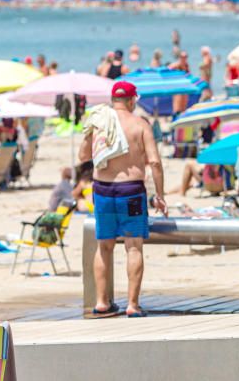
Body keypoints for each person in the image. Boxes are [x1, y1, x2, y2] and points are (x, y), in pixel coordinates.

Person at [78, 80, 166, 318]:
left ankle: (102, 302)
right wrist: (160, 194)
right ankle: (132, 304)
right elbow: (155, 162)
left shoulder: (100, 123)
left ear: (113, 99)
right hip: (131, 190)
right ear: (132, 100)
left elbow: (83, 155)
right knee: (133, 246)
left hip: (103, 190)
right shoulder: (140, 124)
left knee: (104, 246)